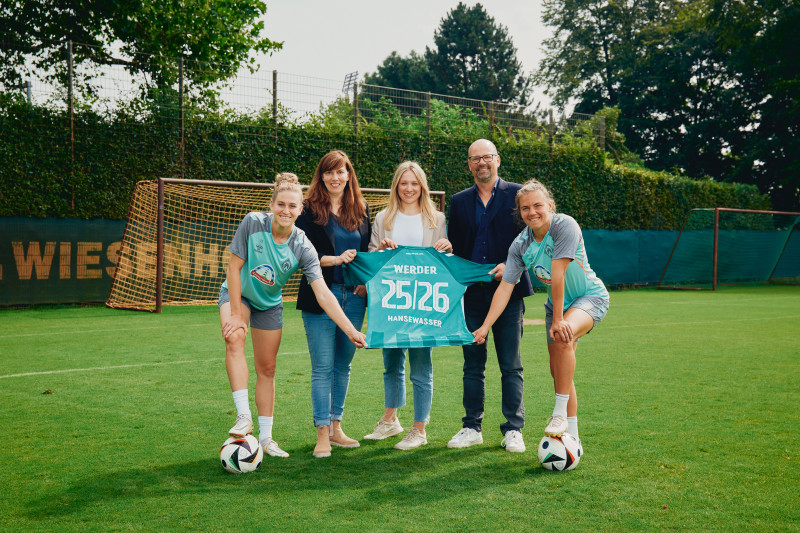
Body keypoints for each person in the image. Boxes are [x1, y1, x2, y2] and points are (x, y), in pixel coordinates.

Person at [220, 173, 366, 460]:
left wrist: (350, 330)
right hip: (239, 295)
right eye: (281, 204)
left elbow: (323, 294)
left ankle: (266, 439)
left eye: (292, 206)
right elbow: (233, 268)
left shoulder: (303, 245)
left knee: (268, 369)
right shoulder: (253, 223)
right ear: (272, 204)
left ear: (301, 210)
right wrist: (237, 314)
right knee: (235, 336)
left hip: (269, 304)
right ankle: (243, 417)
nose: (286, 211)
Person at [472, 179, 609, 454]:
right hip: (555, 306)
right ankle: (574, 440)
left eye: (537, 205)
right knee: (559, 371)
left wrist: (559, 321)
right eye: (525, 208)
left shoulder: (564, 225)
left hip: (589, 297)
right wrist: (485, 326)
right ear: (519, 213)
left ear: (549, 205)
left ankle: (558, 414)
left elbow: (557, 276)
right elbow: (505, 287)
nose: (532, 212)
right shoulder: (520, 244)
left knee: (562, 340)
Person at [446, 138, 533, 453]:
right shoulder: (458, 202)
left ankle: (513, 429)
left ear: (498, 159)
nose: (481, 163)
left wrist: (510, 266)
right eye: (474, 158)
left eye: (486, 157)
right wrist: (446, 248)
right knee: (472, 364)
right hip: (471, 296)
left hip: (509, 295)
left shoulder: (518, 194)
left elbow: (531, 239)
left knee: (510, 364)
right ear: (469, 164)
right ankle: (472, 426)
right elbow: (456, 247)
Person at [362, 161, 452, 450]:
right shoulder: (382, 218)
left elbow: (444, 263)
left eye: (414, 183)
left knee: (421, 366)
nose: (409, 188)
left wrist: (448, 249)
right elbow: (371, 257)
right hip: (391, 301)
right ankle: (390, 420)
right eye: (404, 183)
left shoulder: (436, 219)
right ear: (396, 186)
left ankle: (419, 429)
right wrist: (380, 249)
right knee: (391, 364)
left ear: (422, 186)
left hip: (422, 303)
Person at [295, 151, 371, 458]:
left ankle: (337, 428)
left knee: (343, 366)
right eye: (329, 172)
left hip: (353, 298)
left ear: (349, 175)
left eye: (341, 172)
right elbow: (304, 256)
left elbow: (366, 254)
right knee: (322, 368)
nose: (335, 177)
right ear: (321, 176)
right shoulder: (307, 212)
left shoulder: (362, 211)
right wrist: (335, 260)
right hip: (319, 297)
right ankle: (322, 434)